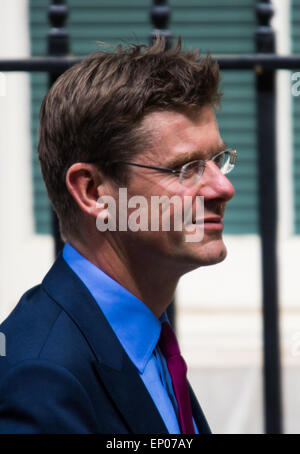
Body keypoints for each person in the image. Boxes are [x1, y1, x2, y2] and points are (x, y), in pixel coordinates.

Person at [0, 38, 236, 434]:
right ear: (93, 191)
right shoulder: (42, 377)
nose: (222, 188)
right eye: (186, 168)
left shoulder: (145, 339)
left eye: (217, 161)